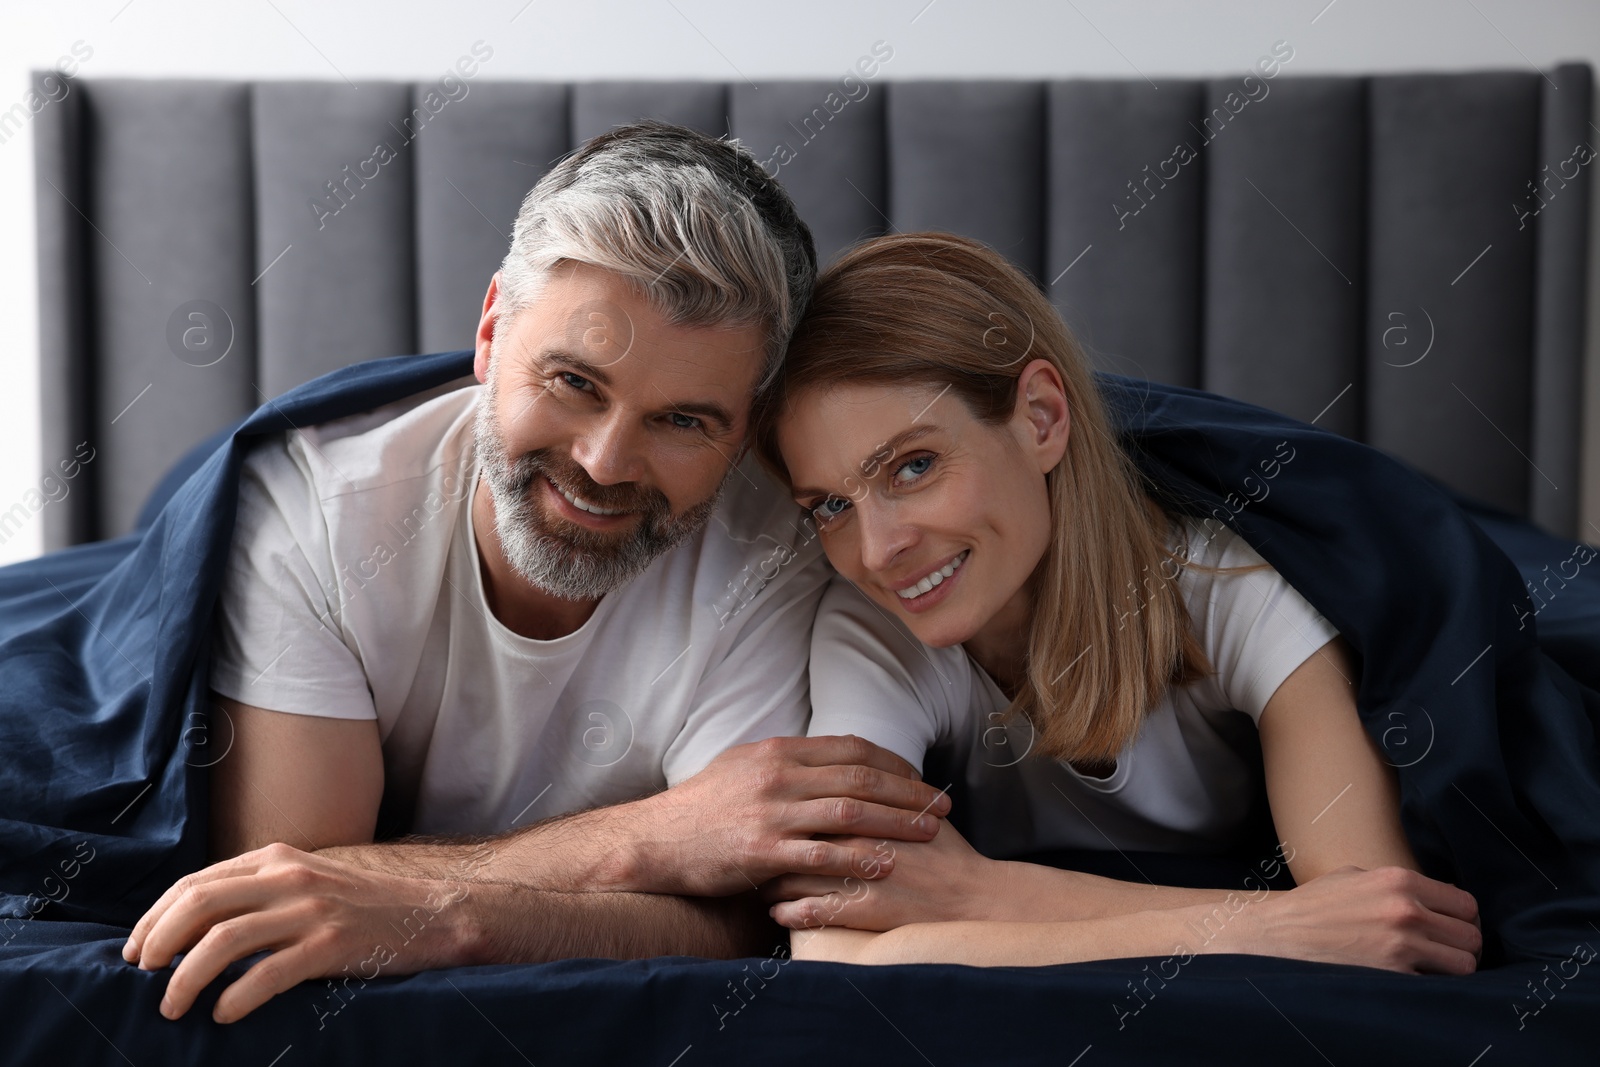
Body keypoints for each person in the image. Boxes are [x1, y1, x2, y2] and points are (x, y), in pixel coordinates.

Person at [120, 123, 952, 1024]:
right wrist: (645, 839)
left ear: (745, 432)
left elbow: (740, 919)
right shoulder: (315, 515)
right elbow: (290, 892)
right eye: (573, 382)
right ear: (489, 334)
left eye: (682, 421)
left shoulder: (779, 556)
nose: (603, 463)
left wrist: (437, 905)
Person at [752, 232, 1484, 974]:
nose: (878, 551)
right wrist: (1271, 925)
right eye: (833, 505)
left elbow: (1387, 929)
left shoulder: (1233, 583)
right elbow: (835, 953)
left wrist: (982, 889)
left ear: (1040, 417)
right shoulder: (871, 620)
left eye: (915, 465)